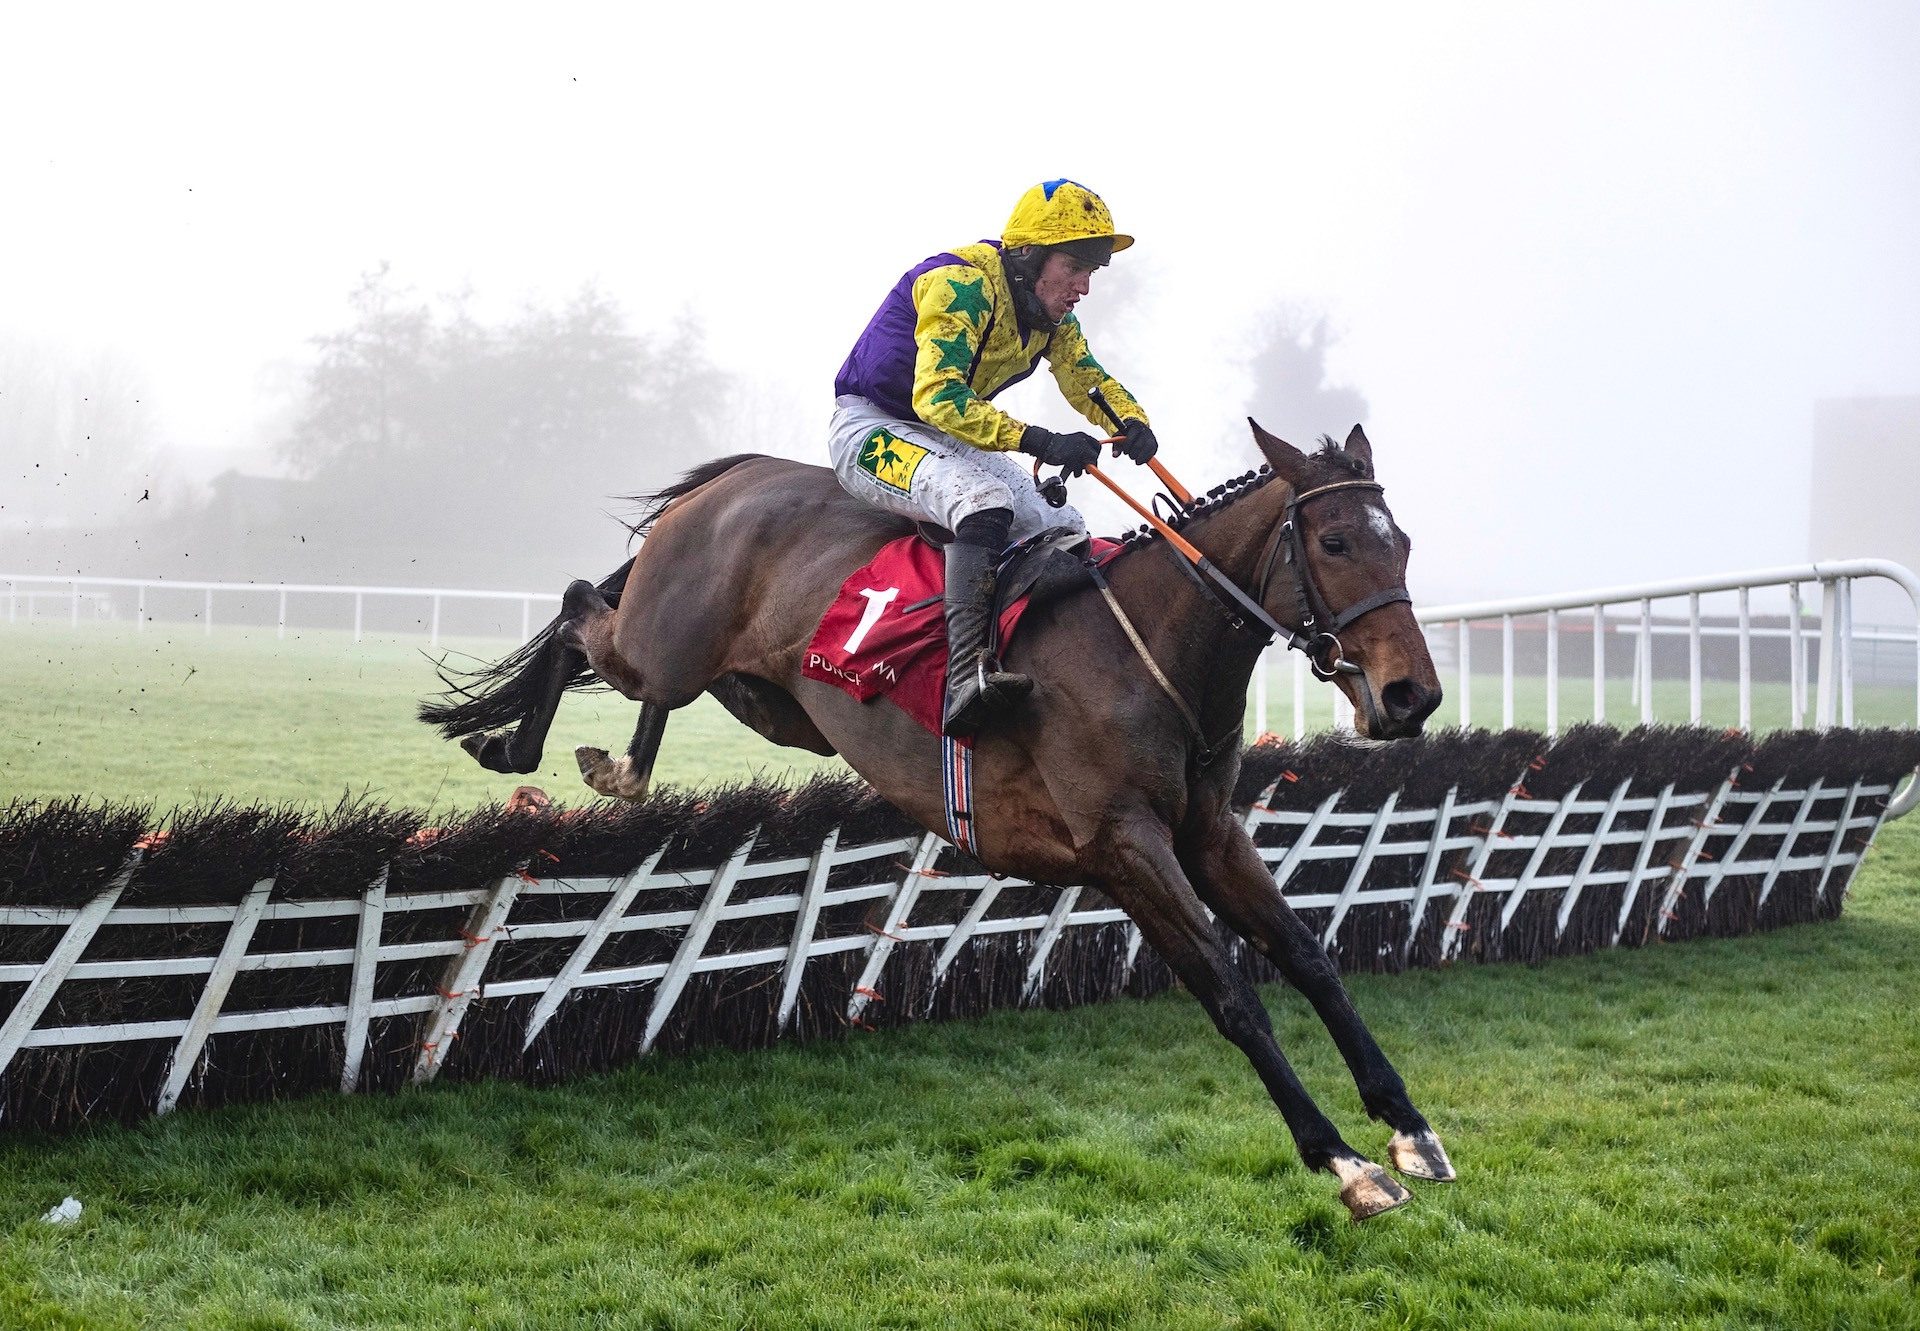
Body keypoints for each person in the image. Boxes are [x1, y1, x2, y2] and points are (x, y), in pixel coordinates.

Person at [829, 179, 1159, 738]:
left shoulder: (1050, 316)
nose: (1082, 287)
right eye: (1074, 267)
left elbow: (1086, 379)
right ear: (1028, 255)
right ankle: (965, 681)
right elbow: (936, 397)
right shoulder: (959, 283)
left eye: (1091, 273)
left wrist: (1130, 422)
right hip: (873, 426)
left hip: (947, 434)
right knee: (983, 500)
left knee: (1062, 523)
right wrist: (1040, 441)